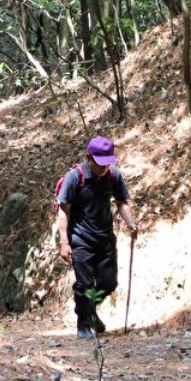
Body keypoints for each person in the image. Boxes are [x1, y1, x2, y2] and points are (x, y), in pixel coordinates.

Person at [56, 135, 140, 339]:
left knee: (109, 283)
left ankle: (89, 310)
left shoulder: (113, 175)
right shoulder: (75, 177)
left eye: (107, 164)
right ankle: (83, 325)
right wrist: (64, 243)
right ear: (89, 158)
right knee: (85, 285)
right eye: (100, 164)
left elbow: (121, 201)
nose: (104, 168)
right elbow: (63, 210)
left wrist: (130, 222)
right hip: (81, 240)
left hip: (105, 239)